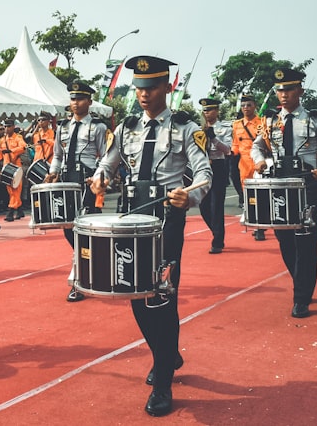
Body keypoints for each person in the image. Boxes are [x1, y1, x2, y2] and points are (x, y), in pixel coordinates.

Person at [92, 56, 213, 418]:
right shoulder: (127, 127)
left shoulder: (186, 127)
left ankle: (163, 381)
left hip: (166, 220)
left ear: (166, 88)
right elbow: (109, 162)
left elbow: (204, 172)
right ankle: (167, 352)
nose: (144, 95)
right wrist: (100, 176)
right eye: (139, 89)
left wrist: (189, 194)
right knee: (135, 293)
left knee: (161, 297)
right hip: (131, 219)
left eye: (151, 88)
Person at [251, 68, 317, 319]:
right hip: (279, 184)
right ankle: (301, 282)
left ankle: (301, 296)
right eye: (280, 90)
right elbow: (256, 147)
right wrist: (259, 160)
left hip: (307, 185)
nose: (283, 94)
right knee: (285, 241)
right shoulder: (269, 121)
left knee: (306, 241)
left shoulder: (314, 119)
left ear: (300, 91)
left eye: (289, 89)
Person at [47, 80, 111, 302]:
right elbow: (57, 155)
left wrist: (97, 176)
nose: (76, 103)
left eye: (80, 98)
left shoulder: (98, 127)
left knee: (86, 231)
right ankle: (94, 266)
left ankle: (80, 279)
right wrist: (53, 172)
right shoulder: (62, 127)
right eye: (73, 99)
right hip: (66, 182)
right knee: (68, 230)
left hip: (87, 182)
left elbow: (105, 157)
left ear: (89, 101)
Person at [230, 95, 267, 241]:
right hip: (244, 164)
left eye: (249, 105)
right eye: (243, 105)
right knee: (248, 196)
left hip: (259, 162)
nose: (246, 108)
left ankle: (260, 227)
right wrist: (229, 154)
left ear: (255, 106)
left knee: (261, 195)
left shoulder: (262, 122)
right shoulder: (237, 124)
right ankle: (253, 220)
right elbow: (235, 145)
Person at [199, 97, 232, 254]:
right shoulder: (197, 128)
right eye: (205, 110)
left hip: (218, 166)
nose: (207, 113)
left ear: (217, 111)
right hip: (203, 167)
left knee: (216, 205)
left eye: (210, 110)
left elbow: (228, 150)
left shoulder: (224, 128)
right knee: (203, 205)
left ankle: (217, 241)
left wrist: (214, 138)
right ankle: (216, 231)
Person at [0, 119, 27, 221]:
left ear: (13, 127)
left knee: (16, 188)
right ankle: (19, 210)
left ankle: (10, 211)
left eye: (9, 126)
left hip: (16, 166)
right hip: (6, 167)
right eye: (5, 126)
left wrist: (12, 150)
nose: (7, 128)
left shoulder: (18, 138)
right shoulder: (2, 140)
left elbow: (23, 147)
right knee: (11, 190)